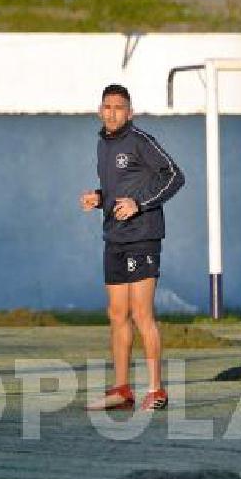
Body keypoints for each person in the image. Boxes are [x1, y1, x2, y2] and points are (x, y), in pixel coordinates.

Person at [80, 84, 185, 411]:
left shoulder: (140, 141)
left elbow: (174, 177)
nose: (112, 113)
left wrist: (139, 204)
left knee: (141, 314)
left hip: (143, 236)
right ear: (100, 111)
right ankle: (122, 390)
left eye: (119, 107)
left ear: (130, 112)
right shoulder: (102, 144)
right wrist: (100, 199)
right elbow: (118, 188)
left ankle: (157, 392)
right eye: (107, 107)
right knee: (116, 314)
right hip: (115, 238)